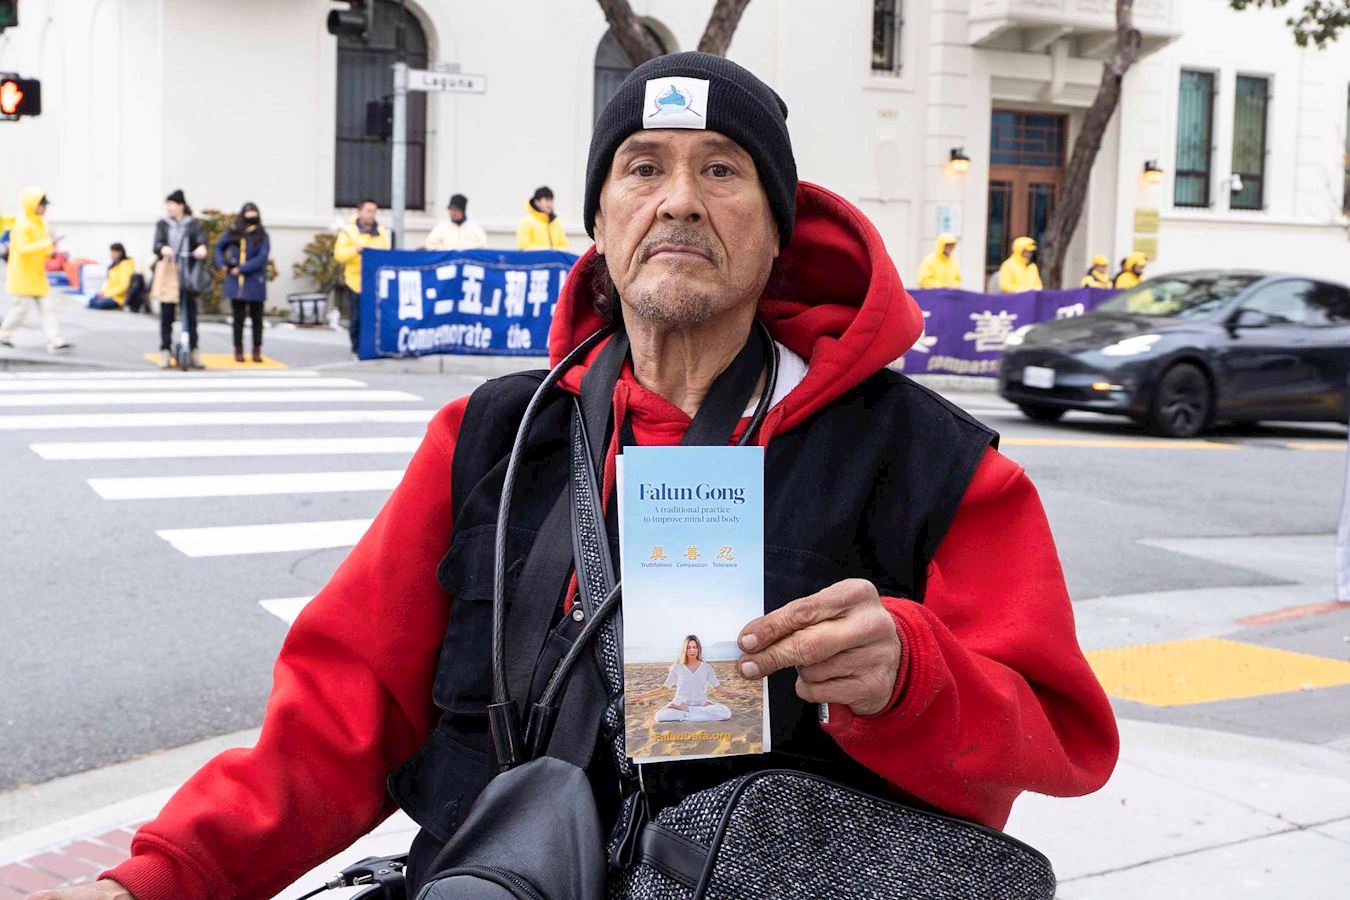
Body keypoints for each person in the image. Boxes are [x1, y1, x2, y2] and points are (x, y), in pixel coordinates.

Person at [57, 53, 1117, 900]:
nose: (680, 201)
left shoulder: (925, 459)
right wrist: (157, 879)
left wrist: (911, 675)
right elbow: (338, 718)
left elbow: (1058, 737)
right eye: (643, 168)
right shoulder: (490, 435)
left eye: (722, 170)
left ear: (778, 233)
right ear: (601, 223)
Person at [0, 187, 72, 352]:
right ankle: (3, 335)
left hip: (36, 274)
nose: (45, 208)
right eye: (42, 205)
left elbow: (38, 248)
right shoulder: (22, 225)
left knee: (47, 308)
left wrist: (51, 251)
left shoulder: (40, 223)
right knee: (21, 309)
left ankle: (56, 341)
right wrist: (49, 243)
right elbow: (22, 249)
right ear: (33, 205)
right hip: (22, 275)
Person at [153, 189, 208, 369]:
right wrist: (163, 249)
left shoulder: (193, 224)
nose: (169, 208)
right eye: (167, 205)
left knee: (190, 314)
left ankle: (194, 349)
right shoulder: (163, 224)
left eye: (172, 204)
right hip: (169, 272)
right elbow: (157, 244)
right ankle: (165, 349)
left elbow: (201, 241)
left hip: (188, 273)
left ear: (181, 206)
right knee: (167, 314)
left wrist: (201, 248)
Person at [333, 198, 391, 357]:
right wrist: (355, 251)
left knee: (375, 316)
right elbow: (339, 255)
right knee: (357, 317)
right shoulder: (349, 231)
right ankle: (356, 348)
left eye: (374, 211)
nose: (371, 215)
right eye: (368, 211)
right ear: (360, 212)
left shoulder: (381, 231)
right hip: (355, 281)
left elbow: (386, 253)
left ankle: (374, 347)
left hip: (375, 281)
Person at [214, 202, 270, 363]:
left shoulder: (262, 234)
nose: (251, 216)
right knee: (238, 319)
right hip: (235, 283)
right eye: (248, 212)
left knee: (257, 319)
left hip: (255, 281)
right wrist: (222, 264)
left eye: (253, 212)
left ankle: (256, 349)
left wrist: (242, 268)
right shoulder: (233, 232)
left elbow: (262, 257)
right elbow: (218, 247)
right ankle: (238, 349)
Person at [648, 635, 733, 723]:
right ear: (685, 649)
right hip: (680, 704)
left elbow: (718, 688)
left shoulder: (707, 667)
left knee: (725, 713)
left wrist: (738, 692)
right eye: (689, 647)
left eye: (694, 647)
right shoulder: (676, 667)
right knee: (659, 716)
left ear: (698, 649)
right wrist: (642, 695)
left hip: (701, 704)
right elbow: (664, 688)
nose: (692, 650)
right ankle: (696, 714)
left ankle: (688, 711)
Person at [516, 185, 568, 250]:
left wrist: (554, 251)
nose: (550, 203)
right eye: (546, 200)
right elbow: (523, 246)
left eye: (551, 200)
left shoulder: (555, 223)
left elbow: (564, 245)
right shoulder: (527, 221)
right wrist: (547, 251)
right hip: (535, 257)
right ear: (537, 202)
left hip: (554, 257)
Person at [88, 244, 135, 310]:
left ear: (120, 253)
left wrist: (108, 294)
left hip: (118, 299)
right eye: (111, 252)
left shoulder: (126, 266)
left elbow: (124, 286)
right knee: (91, 300)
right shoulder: (113, 266)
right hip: (107, 295)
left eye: (114, 252)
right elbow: (108, 282)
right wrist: (102, 292)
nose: (112, 255)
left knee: (98, 304)